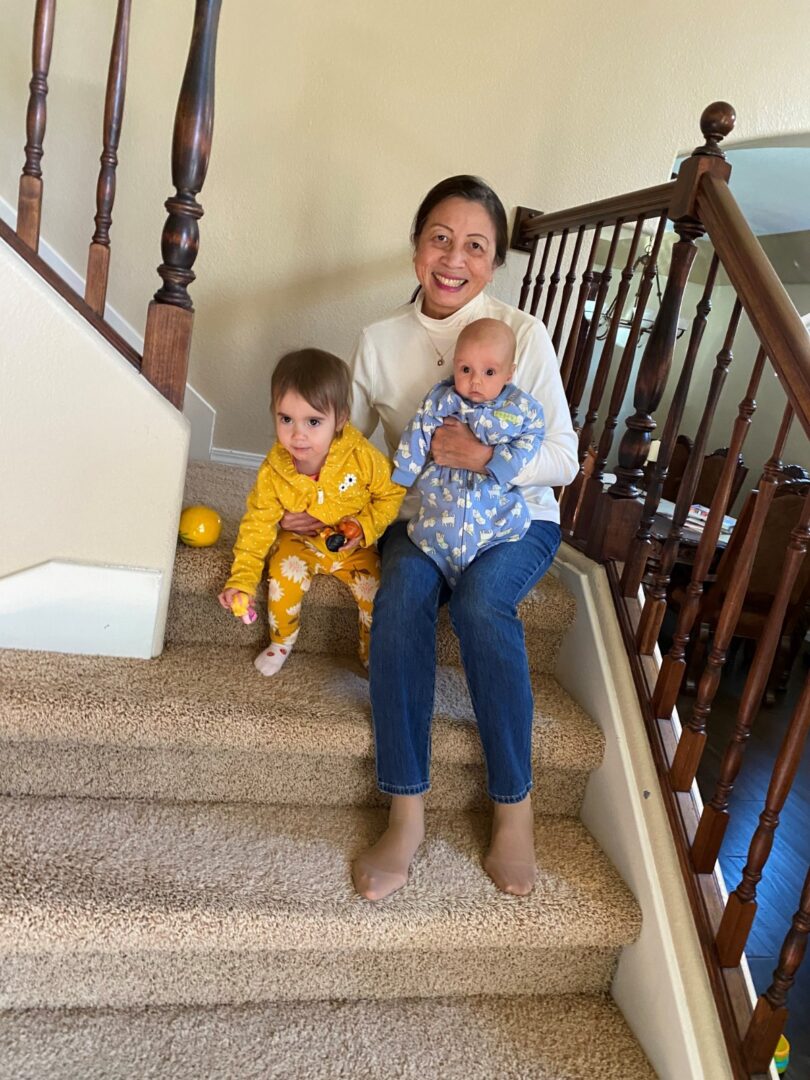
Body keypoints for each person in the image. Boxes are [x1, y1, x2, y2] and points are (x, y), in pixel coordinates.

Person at [280, 176, 577, 900]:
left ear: (494, 261)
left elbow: (563, 456)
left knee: (481, 607)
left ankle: (514, 810)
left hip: (516, 519)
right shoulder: (378, 342)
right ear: (416, 248)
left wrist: (486, 460)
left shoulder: (522, 334)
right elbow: (360, 456)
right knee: (404, 590)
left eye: (475, 245)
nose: (454, 258)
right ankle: (405, 809)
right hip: (427, 520)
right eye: (440, 238)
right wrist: (314, 501)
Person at [218, 349, 405, 676]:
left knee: (377, 593)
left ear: (341, 419)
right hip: (300, 542)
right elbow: (257, 526)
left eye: (313, 422)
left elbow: (390, 494)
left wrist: (364, 526)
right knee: (282, 577)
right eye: (285, 419)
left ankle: (371, 651)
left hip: (353, 547)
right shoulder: (274, 469)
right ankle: (281, 641)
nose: (297, 434)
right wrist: (243, 580)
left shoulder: (361, 457)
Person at [391, 317, 545, 587]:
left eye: (489, 372)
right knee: (408, 581)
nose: (475, 381)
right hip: (439, 516)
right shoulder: (442, 399)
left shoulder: (520, 408)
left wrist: (499, 464)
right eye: (465, 369)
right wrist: (404, 473)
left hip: (495, 516)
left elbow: (534, 435)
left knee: (481, 596)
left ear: (509, 374)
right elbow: (418, 430)